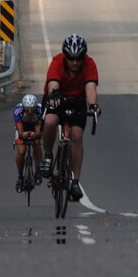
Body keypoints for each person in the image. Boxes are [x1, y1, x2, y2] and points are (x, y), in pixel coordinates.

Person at [40, 33, 101, 201]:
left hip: (78, 101)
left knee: (77, 135)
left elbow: (90, 88)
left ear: (83, 56)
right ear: (65, 56)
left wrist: (93, 105)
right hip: (57, 97)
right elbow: (53, 83)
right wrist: (54, 96)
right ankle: (47, 155)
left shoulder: (89, 64)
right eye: (71, 59)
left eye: (78, 58)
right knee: (50, 121)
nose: (75, 63)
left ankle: (75, 181)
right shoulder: (57, 62)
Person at [13, 93, 43, 192]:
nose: (30, 112)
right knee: (21, 151)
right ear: (24, 108)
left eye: (32, 110)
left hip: (34, 127)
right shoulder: (18, 111)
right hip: (23, 128)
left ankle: (38, 170)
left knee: (36, 144)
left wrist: (35, 135)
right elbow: (20, 131)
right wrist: (23, 134)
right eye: (28, 110)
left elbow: (38, 131)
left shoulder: (40, 111)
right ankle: (20, 176)